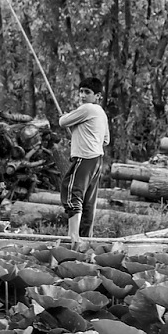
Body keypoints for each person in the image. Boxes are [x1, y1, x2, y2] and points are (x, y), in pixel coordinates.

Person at [58, 77, 110, 242]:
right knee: (88, 201)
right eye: (80, 91)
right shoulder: (101, 113)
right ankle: (85, 238)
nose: (82, 95)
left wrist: (69, 120)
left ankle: (73, 235)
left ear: (97, 96)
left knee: (72, 191)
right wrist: (80, 134)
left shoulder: (87, 108)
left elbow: (62, 121)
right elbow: (106, 140)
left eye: (87, 92)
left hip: (84, 158)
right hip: (96, 160)